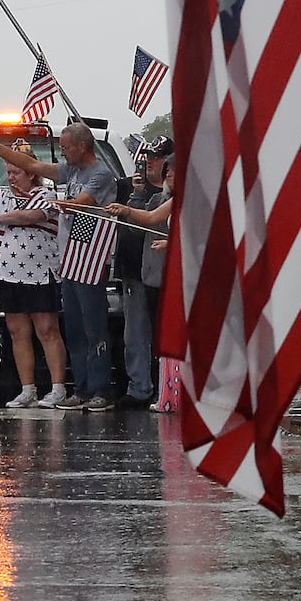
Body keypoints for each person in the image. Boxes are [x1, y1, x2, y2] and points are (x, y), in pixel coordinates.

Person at [0, 122, 118, 412]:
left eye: (65, 148)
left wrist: (58, 203)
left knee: (94, 328)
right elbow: (31, 164)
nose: (63, 153)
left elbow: (83, 202)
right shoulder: (72, 171)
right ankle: (80, 389)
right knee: (75, 329)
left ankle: (101, 390)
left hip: (90, 259)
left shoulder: (100, 174)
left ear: (81, 146)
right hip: (69, 259)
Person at [0, 146, 69, 409]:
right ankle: (27, 389)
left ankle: (57, 388)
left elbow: (31, 216)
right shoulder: (1, 196)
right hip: (8, 275)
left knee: (47, 330)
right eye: (8, 172)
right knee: (17, 332)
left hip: (42, 275)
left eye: (17, 171)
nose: (11, 177)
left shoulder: (47, 196)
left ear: (32, 173)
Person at [110, 136, 174, 409]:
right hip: (138, 270)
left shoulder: (176, 196)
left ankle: (169, 389)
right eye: (148, 157)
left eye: (159, 159)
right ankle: (140, 388)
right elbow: (134, 228)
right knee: (135, 333)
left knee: (167, 335)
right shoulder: (134, 188)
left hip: (171, 277)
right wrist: (131, 200)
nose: (151, 163)